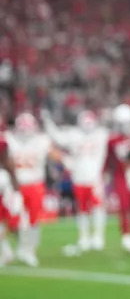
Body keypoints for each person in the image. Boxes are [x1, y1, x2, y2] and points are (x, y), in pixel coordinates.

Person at [42, 110, 109, 253]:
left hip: (94, 178)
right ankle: (84, 238)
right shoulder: (75, 135)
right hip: (79, 178)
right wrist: (48, 123)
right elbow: (58, 137)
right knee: (82, 210)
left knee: (97, 208)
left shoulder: (101, 134)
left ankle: (97, 236)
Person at [2, 113, 51, 266]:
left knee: (33, 221)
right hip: (16, 186)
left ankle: (29, 251)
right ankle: (19, 249)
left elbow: (53, 153)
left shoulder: (42, 141)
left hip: (36, 184)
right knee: (14, 220)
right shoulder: (8, 139)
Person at [106, 104, 130, 255]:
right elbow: (109, 160)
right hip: (120, 175)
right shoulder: (112, 140)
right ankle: (126, 235)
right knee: (124, 206)